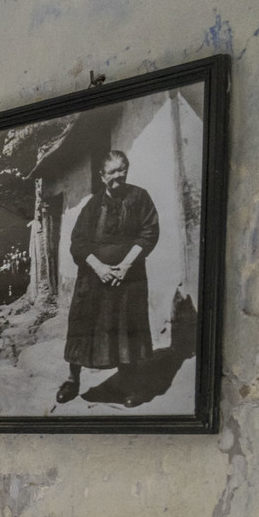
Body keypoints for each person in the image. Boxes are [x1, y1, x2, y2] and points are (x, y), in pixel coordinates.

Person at [58, 149, 160, 404]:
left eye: (122, 169)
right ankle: (72, 381)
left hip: (130, 276)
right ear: (102, 176)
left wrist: (125, 266)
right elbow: (78, 243)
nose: (118, 175)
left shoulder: (139, 198)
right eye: (112, 171)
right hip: (94, 277)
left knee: (128, 329)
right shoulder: (93, 205)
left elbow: (148, 233)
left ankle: (131, 386)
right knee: (82, 325)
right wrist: (100, 268)